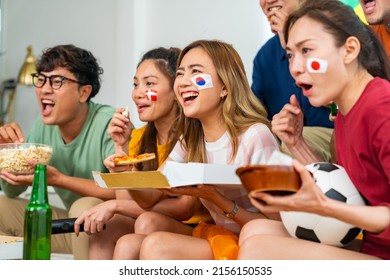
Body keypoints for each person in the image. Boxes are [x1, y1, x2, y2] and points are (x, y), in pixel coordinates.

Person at [238, 0, 390, 260]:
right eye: (290, 55)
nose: (295, 67)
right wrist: (296, 143)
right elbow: (354, 192)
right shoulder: (345, 112)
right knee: (255, 229)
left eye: (306, 50)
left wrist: (325, 207)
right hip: (375, 247)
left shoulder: (381, 108)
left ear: (349, 50)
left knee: (257, 250)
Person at [130, 39, 280, 260]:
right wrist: (127, 174)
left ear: (224, 87)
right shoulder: (190, 138)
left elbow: (275, 224)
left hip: (255, 241)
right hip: (220, 234)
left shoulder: (255, 136)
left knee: (156, 245)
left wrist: (217, 199)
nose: (183, 82)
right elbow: (152, 193)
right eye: (180, 74)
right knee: (131, 240)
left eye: (195, 72)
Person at [74, 47, 204, 259]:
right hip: (151, 221)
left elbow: (182, 208)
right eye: (135, 84)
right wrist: (121, 147)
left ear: (175, 90)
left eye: (150, 84)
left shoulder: (192, 137)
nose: (137, 93)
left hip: (192, 227)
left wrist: (115, 205)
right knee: (105, 226)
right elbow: (127, 198)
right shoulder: (138, 137)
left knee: (147, 221)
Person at [0, 44, 116, 259]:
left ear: (84, 92)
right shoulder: (42, 127)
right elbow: (12, 191)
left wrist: (59, 179)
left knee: (84, 207)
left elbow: (123, 193)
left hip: (109, 232)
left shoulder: (110, 124)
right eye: (41, 79)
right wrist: (6, 152)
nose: (44, 89)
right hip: (73, 229)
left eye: (56, 81)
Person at [251, 0, 334, 162]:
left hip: (343, 134)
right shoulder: (265, 56)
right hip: (293, 143)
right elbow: (254, 116)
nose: (268, 1)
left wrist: (290, 36)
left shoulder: (336, 26)